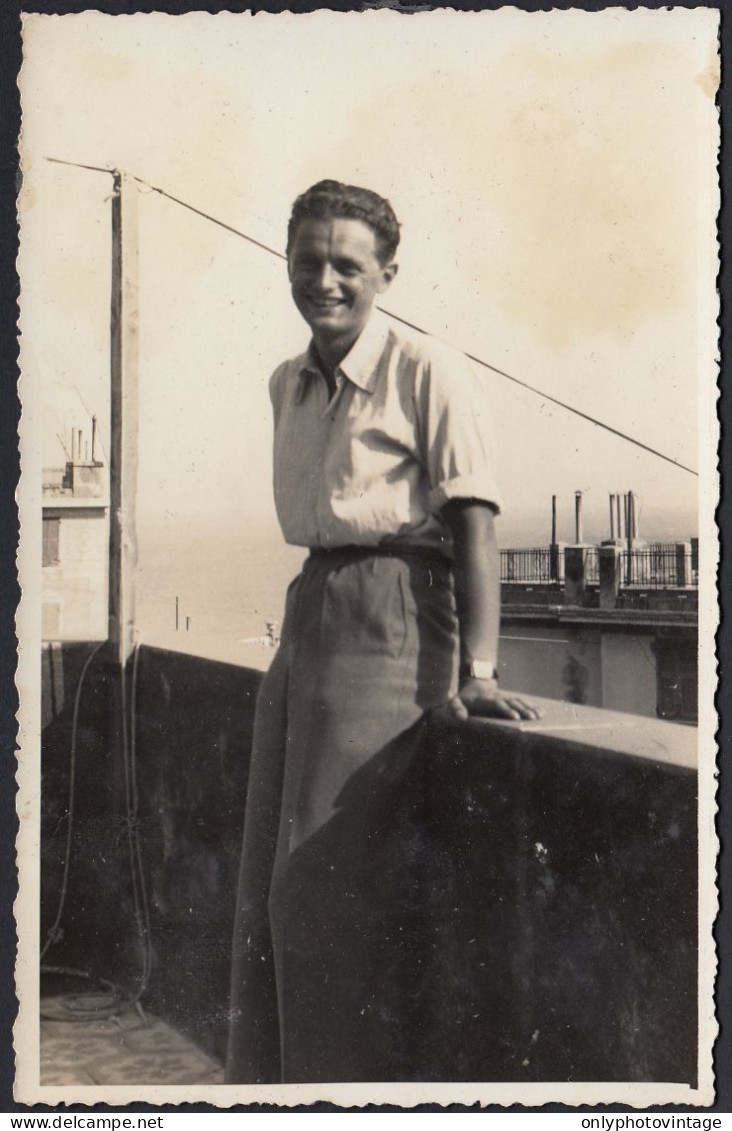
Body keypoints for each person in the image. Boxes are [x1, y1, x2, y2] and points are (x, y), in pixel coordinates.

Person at [225, 179, 539, 1085]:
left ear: (386, 273)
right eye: (307, 261)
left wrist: (476, 671)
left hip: (395, 616)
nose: (324, 279)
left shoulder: (426, 369)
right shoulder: (287, 382)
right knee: (269, 884)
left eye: (346, 264)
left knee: (325, 890)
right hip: (312, 613)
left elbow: (474, 522)